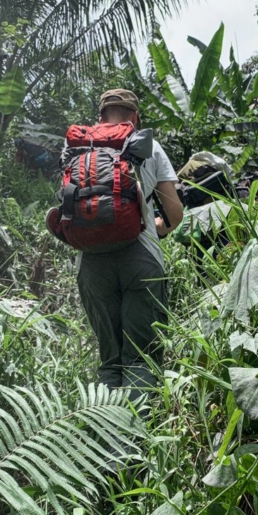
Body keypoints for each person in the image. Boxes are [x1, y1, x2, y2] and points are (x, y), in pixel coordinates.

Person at [76, 89, 183, 401]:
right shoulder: (150, 146)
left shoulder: (80, 148)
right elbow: (174, 214)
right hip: (142, 258)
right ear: (135, 118)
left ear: (100, 117)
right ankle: (136, 443)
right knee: (140, 359)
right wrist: (157, 227)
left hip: (92, 264)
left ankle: (105, 440)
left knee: (111, 362)